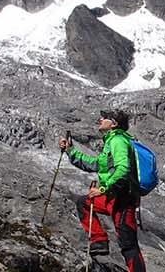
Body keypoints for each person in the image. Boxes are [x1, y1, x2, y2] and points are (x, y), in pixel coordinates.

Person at [59, 109, 147, 272]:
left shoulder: (118, 141)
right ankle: (99, 243)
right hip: (113, 197)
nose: (100, 119)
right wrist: (71, 151)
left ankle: (101, 243)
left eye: (105, 118)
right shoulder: (110, 142)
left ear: (113, 124)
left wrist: (102, 189)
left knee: (128, 245)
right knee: (83, 202)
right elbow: (95, 164)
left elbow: (123, 169)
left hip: (123, 199)